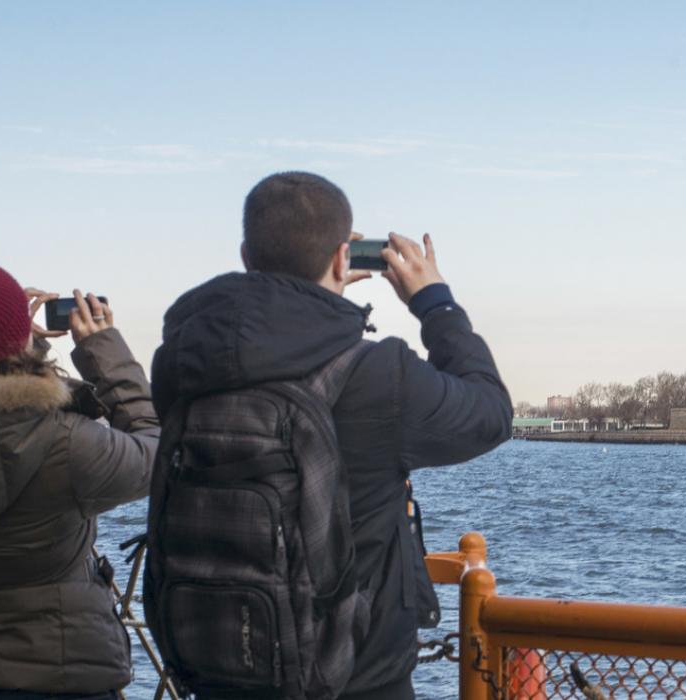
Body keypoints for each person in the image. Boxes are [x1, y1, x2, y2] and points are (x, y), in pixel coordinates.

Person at [149, 172, 513, 700]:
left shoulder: (183, 362)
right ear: (346, 259)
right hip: (356, 679)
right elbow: (490, 414)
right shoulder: (378, 374)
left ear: (247, 255)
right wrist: (435, 303)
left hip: (222, 671)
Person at [0, 263, 159, 699]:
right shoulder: (68, 445)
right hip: (58, 675)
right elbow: (157, 452)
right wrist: (104, 352)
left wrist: (15, 347)